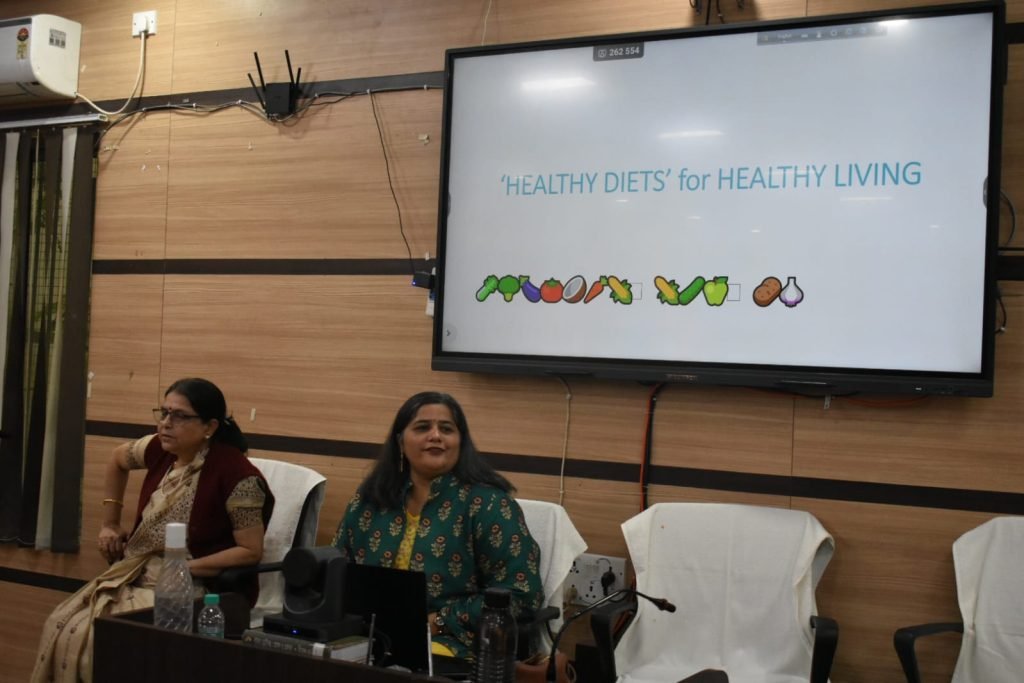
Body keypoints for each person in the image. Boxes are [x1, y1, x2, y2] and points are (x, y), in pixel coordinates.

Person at [32, 378, 275, 683]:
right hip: (135, 573)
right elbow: (117, 459)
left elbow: (250, 551)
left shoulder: (239, 477)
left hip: (195, 586)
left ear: (209, 427)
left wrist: (180, 569)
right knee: (63, 622)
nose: (165, 423)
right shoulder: (161, 449)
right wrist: (110, 523)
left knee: (101, 639)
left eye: (180, 416)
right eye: (164, 412)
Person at [332, 391, 544, 661]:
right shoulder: (370, 501)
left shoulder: (489, 505)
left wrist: (442, 621)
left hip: (454, 642)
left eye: (446, 429)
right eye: (422, 427)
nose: (435, 436)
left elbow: (521, 594)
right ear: (400, 441)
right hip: (366, 636)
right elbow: (335, 571)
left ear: (460, 442)